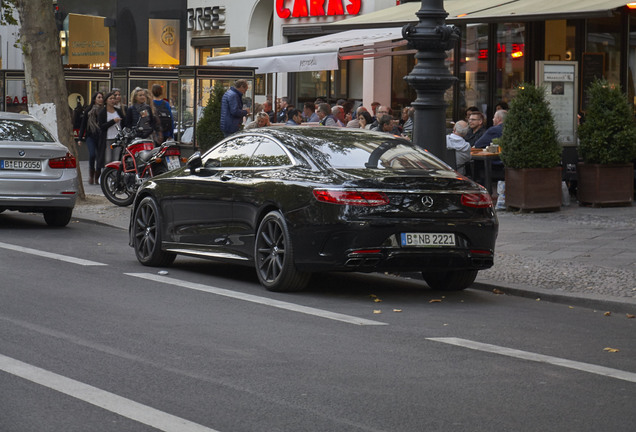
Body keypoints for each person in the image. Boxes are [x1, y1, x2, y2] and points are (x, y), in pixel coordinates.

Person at [77, 91, 104, 184]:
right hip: (90, 136)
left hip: (101, 137)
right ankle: (91, 175)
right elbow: (83, 125)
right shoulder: (88, 110)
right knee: (92, 155)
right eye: (99, 97)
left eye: (101, 97)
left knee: (100, 157)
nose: (101, 99)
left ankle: (97, 176)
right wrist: (80, 138)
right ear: (94, 99)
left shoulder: (104, 111)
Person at [97, 91, 125, 175]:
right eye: (111, 98)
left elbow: (124, 122)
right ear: (106, 100)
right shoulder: (102, 112)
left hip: (117, 139)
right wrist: (113, 121)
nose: (113, 100)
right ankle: (105, 176)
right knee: (108, 159)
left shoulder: (118, 111)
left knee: (116, 159)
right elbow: (102, 126)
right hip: (107, 139)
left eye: (114, 98)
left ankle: (115, 177)